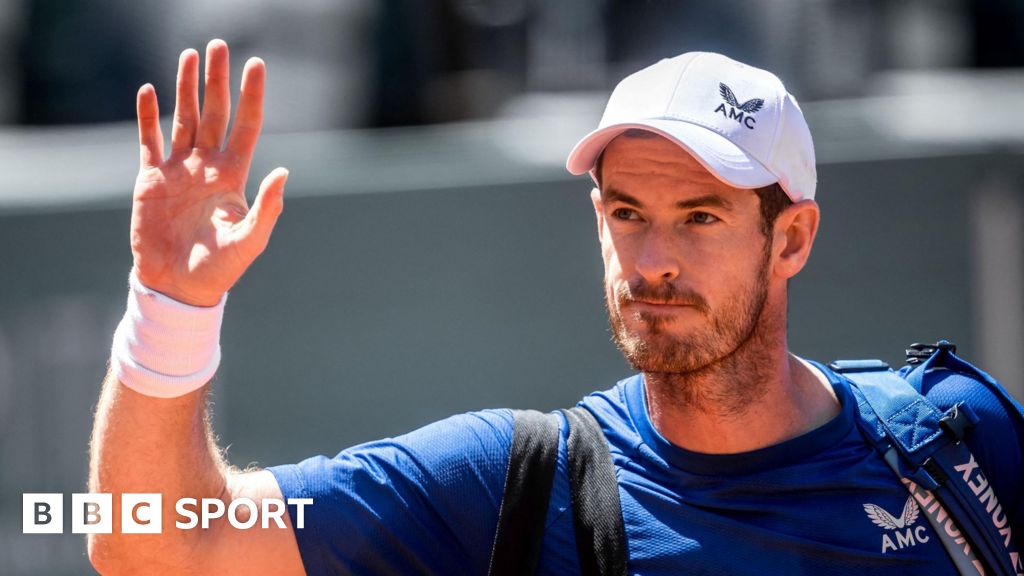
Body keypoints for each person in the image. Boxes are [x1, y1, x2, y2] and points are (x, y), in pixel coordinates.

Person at [87, 39, 1023, 575]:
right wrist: (171, 305)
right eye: (627, 214)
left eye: (700, 216)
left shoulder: (958, 441)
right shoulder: (511, 486)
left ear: (793, 238)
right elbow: (156, 545)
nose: (653, 261)